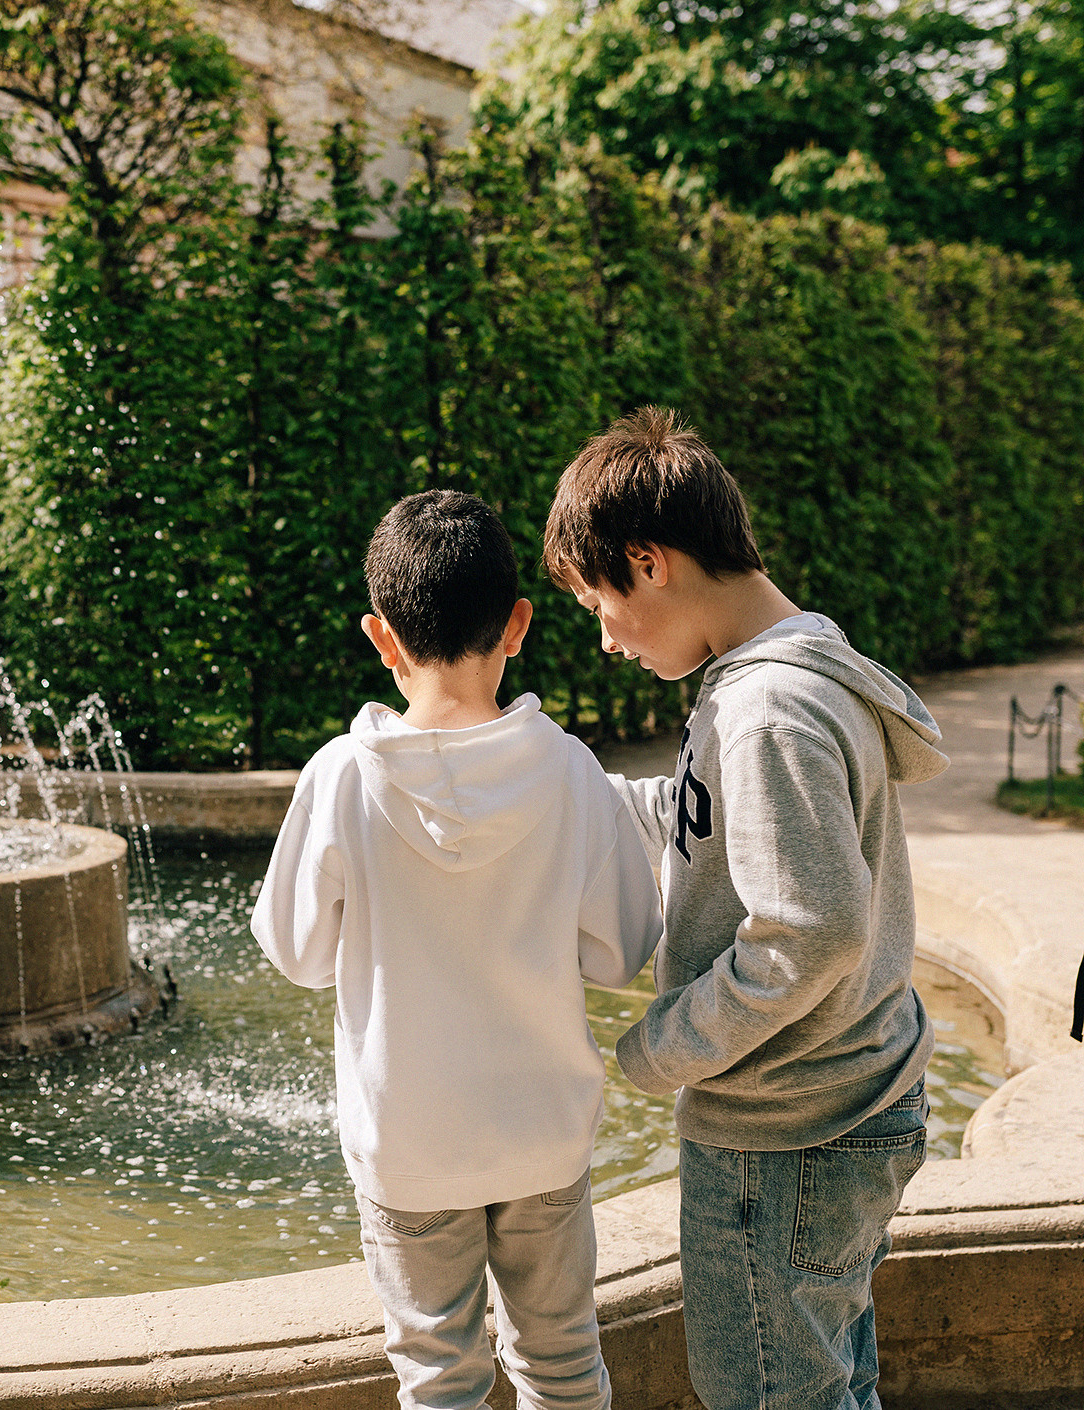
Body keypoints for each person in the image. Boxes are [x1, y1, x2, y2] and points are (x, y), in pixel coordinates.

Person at [542, 407, 949, 1410]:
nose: (602, 639)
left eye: (596, 601)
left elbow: (810, 929)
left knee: (767, 1393)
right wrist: (537, 783)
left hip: (787, 1137)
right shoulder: (777, 675)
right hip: (841, 1111)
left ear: (646, 562)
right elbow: (695, 817)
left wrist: (657, 1049)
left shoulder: (765, 710)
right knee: (826, 1384)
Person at [252, 489, 664, 1410]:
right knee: (562, 1365)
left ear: (379, 636)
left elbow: (294, 951)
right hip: (542, 1134)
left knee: (439, 1376)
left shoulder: (340, 777)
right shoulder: (567, 770)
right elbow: (625, 948)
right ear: (518, 623)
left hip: (410, 1144)